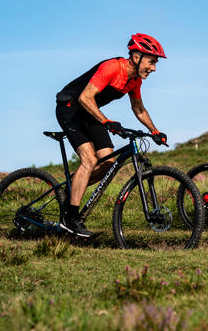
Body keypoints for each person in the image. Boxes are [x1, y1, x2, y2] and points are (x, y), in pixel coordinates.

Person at [55, 33, 168, 237]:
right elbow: (85, 97)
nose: (154, 68)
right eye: (151, 62)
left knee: (108, 162)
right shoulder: (112, 68)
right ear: (136, 56)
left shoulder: (134, 81)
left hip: (90, 111)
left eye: (155, 63)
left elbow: (139, 108)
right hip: (71, 108)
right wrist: (106, 121)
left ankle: (69, 191)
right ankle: (71, 218)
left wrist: (155, 131)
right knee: (89, 160)